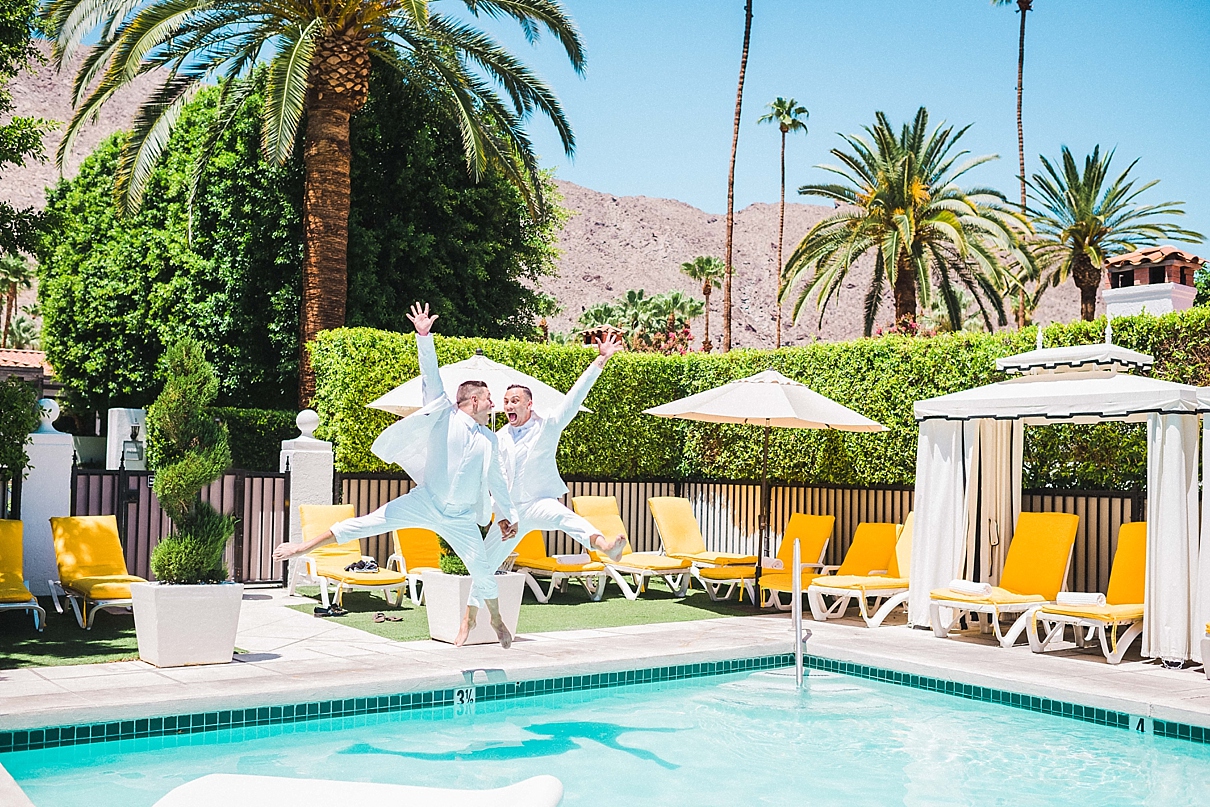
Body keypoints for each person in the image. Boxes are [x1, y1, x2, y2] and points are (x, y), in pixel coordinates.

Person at [273, 302, 519, 647]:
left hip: (462, 517)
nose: (494, 405)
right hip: (427, 502)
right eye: (489, 399)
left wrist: (507, 515)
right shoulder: (443, 416)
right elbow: (430, 376)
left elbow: (496, 481)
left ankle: (495, 621)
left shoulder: (490, 439)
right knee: (370, 522)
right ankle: (303, 546)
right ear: (474, 401)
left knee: (482, 572)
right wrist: (424, 336)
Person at [470, 334, 627, 610]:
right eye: (505, 401)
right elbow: (494, 479)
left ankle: (604, 544)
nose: (508, 406)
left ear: (529, 404)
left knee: (564, 516)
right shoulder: (499, 437)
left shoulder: (548, 426)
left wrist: (600, 360)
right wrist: (499, 512)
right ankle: (471, 617)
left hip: (538, 503)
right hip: (510, 514)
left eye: (515, 400)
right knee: (482, 565)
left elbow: (574, 398)